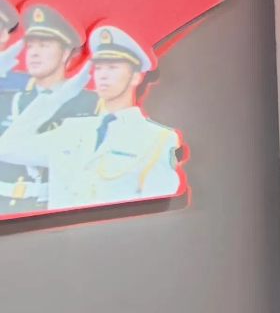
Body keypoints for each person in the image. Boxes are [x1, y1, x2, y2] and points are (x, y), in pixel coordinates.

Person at [0, 25, 179, 210]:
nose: (103, 76)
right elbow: (6, 148)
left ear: (135, 77)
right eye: (99, 68)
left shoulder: (157, 139)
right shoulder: (71, 129)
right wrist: (57, 98)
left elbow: (159, 210)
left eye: (112, 67)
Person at [0, 3, 97, 212]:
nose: (34, 53)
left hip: (65, 209)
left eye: (44, 45)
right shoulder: (10, 101)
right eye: (31, 46)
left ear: (65, 53)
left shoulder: (92, 103)